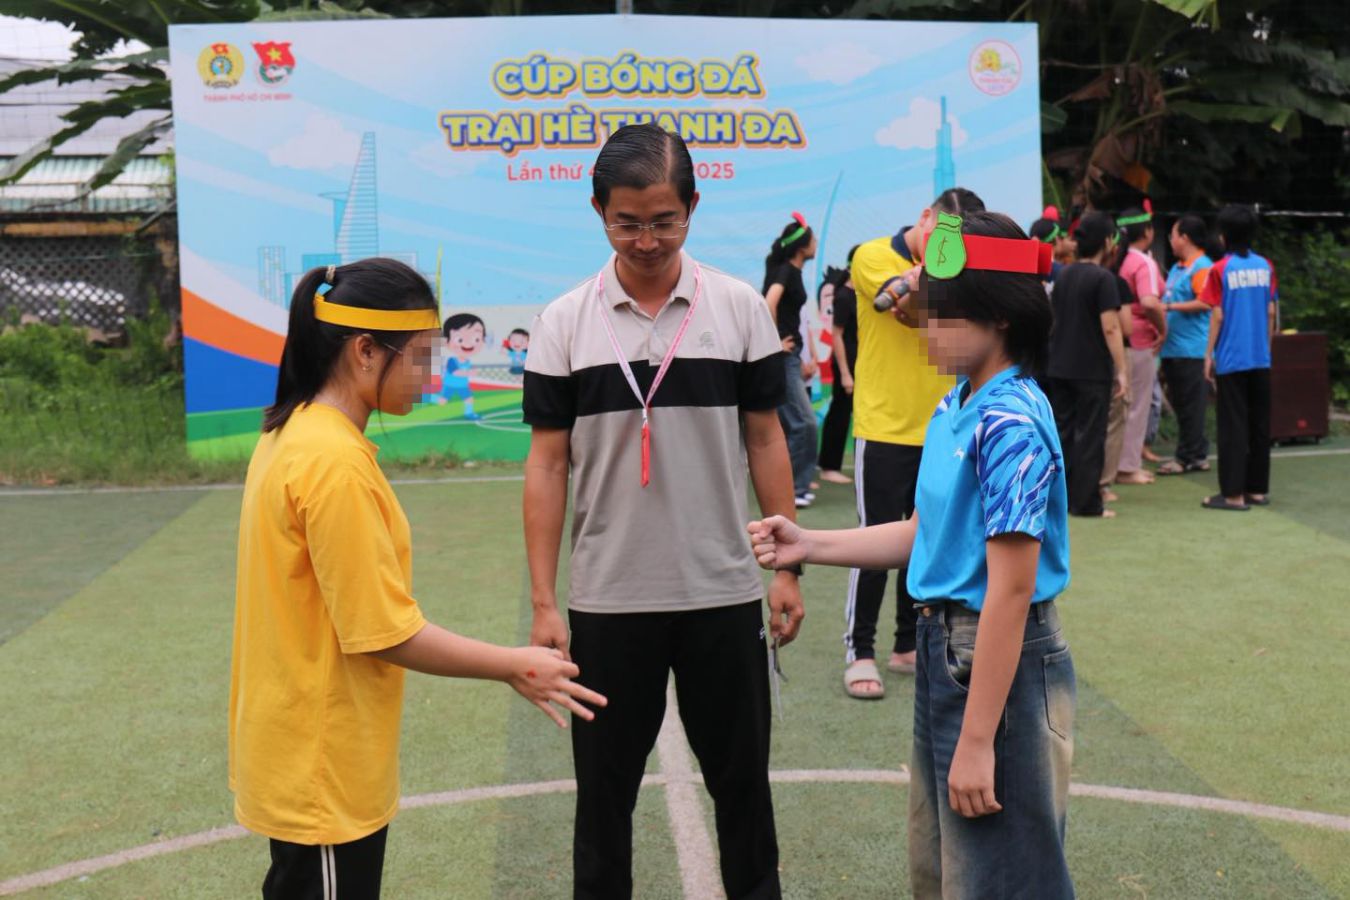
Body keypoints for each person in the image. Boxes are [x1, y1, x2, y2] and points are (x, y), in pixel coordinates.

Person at [231, 259, 605, 899]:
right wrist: (512, 664)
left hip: (309, 751)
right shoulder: (331, 462)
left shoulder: (294, 433)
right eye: (421, 356)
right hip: (320, 763)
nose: (432, 378)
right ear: (365, 350)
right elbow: (381, 632)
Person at [749, 211, 1075, 899]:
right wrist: (808, 543)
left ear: (1002, 318)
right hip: (947, 654)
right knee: (947, 870)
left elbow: (1010, 592)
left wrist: (980, 738)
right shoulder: (958, 403)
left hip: (994, 667)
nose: (924, 328)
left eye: (942, 315)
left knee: (998, 878)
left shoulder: (1010, 420)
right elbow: (922, 533)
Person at [522, 123, 804, 899]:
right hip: (609, 601)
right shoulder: (564, 322)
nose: (646, 240)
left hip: (722, 591)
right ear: (597, 212)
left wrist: (787, 569)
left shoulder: (741, 309)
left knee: (744, 792)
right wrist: (546, 602)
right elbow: (547, 465)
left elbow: (765, 438)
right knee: (603, 805)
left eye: (663, 221)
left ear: (692, 208)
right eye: (627, 222)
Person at [841, 187, 984, 700]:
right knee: (873, 543)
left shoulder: (953, 265)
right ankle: (859, 651)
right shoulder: (872, 254)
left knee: (924, 541)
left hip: (942, 425)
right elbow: (899, 309)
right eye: (942, 233)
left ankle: (906, 646)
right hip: (883, 426)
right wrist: (930, 273)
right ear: (926, 218)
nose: (944, 245)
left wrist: (939, 270)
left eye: (956, 241)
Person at [1046, 211, 1128, 518]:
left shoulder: (1063, 274)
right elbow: (1111, 327)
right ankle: (1088, 503)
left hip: (1059, 366)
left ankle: (1062, 500)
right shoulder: (1103, 278)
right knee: (1090, 436)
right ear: (1107, 242)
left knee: (1063, 435)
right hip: (1091, 369)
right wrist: (1121, 370)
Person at [1201, 204, 1277, 511]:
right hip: (1260, 357)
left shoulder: (1220, 269)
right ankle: (1257, 490)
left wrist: (1208, 355)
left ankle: (1232, 494)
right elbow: (1271, 311)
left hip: (1232, 358)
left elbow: (1217, 315)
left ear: (1223, 236)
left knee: (1232, 425)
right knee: (1260, 423)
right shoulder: (1266, 266)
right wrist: (1266, 346)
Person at [763, 212, 821, 507]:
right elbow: (768, 303)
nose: (816, 243)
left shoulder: (793, 272)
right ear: (802, 246)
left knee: (795, 424)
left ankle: (797, 486)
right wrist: (774, 344)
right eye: (813, 239)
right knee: (804, 424)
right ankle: (795, 489)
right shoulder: (786, 271)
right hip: (783, 359)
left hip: (792, 358)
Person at [1156, 215, 1214, 475]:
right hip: (1174, 348)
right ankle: (1197, 453)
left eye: (1173, 235)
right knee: (1184, 404)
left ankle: (1187, 457)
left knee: (1191, 405)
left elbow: (1205, 302)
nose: (1171, 240)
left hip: (1191, 349)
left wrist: (1167, 306)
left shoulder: (1202, 267)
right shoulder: (1180, 268)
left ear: (1185, 238)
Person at [1115, 205, 1167, 485]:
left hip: (1122, 339)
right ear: (1147, 231)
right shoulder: (1143, 262)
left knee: (1124, 405)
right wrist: (1163, 329)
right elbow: (1149, 302)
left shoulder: (1120, 259)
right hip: (1140, 339)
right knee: (1136, 405)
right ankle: (1127, 466)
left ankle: (1121, 464)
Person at [817, 248, 860, 485]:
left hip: (860, 364)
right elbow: (836, 335)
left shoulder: (859, 294)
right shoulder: (843, 295)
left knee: (853, 414)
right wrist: (845, 373)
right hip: (846, 365)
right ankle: (829, 466)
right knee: (840, 413)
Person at [438, 312, 485, 419]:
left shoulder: (467, 361)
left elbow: (464, 371)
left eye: (476, 339)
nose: (468, 344)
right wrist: (470, 373)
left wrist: (470, 372)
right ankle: (427, 397)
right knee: (442, 401)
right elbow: (455, 372)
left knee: (469, 399)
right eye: (460, 340)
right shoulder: (452, 360)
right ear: (447, 341)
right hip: (450, 384)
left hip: (463, 385)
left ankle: (469, 413)